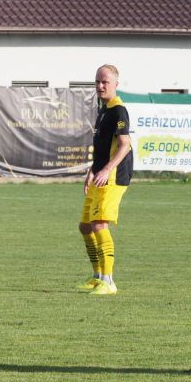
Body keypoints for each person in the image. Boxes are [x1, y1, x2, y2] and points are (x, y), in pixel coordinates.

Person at [77, 64, 133, 296]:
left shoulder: (119, 110)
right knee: (85, 226)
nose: (100, 86)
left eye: (105, 82)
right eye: (98, 82)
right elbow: (102, 147)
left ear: (115, 84)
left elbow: (124, 145)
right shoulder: (103, 111)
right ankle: (97, 276)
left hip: (113, 177)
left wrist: (106, 169)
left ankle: (109, 281)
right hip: (100, 174)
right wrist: (93, 170)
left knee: (100, 224)